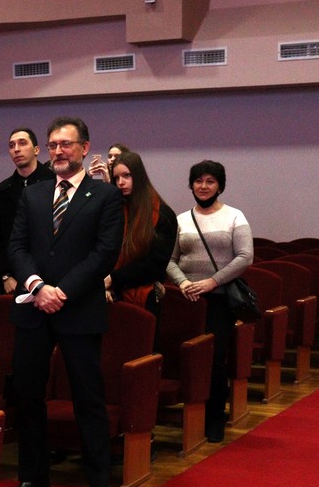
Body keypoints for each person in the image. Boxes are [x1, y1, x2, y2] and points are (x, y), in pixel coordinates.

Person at [4, 116, 123, 487]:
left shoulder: (105, 196)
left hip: (79, 310)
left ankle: (98, 482)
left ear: (85, 148)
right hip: (33, 309)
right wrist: (38, 286)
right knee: (27, 395)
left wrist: (63, 291)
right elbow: (16, 247)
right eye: (53, 144)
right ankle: (32, 475)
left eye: (66, 144)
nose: (58, 151)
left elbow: (104, 253)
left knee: (87, 397)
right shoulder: (34, 194)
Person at [166, 160, 252, 444]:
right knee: (184, 358)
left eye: (210, 181)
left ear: (220, 186)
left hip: (219, 299)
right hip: (186, 299)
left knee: (214, 360)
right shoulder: (181, 220)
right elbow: (169, 259)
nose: (203, 186)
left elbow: (245, 257)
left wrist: (212, 281)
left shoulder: (234, 216)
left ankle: (214, 418)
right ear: (191, 185)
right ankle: (190, 416)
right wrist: (183, 282)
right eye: (198, 181)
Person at [105, 151, 178, 319]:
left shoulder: (163, 214)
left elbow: (154, 266)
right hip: (111, 296)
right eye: (116, 178)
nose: (121, 182)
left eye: (127, 175)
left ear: (139, 176)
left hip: (145, 296)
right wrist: (106, 285)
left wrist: (112, 280)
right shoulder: (114, 211)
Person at [0, 127, 55, 294]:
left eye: (22, 143)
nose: (16, 149)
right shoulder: (2, 191)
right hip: (14, 278)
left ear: (37, 150)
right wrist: (4, 275)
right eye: (12, 146)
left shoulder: (55, 182)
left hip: (52, 275)